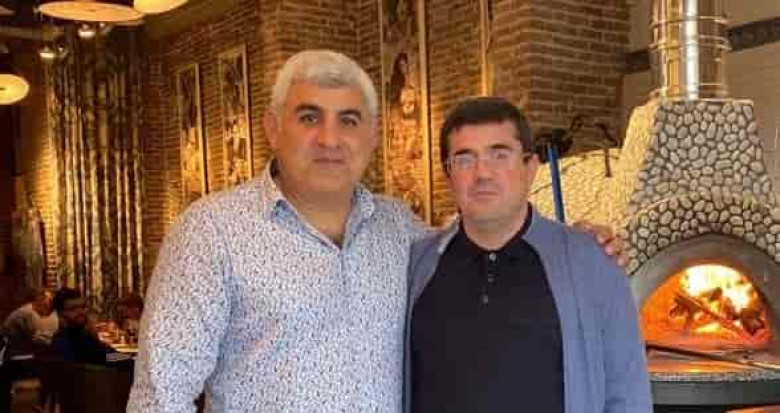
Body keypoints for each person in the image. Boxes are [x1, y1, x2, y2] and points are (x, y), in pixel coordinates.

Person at [128, 50, 624, 413]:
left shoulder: (401, 230)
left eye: (348, 120)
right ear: (272, 128)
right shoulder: (211, 232)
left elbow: (487, 232)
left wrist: (574, 243)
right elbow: (160, 397)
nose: (330, 139)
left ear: (370, 136)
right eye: (309, 117)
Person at [407, 97, 651, 413]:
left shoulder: (591, 262)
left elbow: (627, 393)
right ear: (448, 174)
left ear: (531, 168)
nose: (483, 173)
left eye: (500, 155)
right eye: (465, 159)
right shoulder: (416, 265)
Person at [50, 288, 115, 365]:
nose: (81, 312)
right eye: (73, 309)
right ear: (60, 313)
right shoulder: (63, 341)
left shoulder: (84, 333)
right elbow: (104, 358)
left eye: (83, 307)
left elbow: (105, 356)